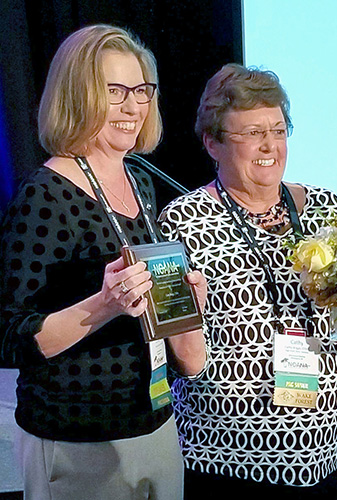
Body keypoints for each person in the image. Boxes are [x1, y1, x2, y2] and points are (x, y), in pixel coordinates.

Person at [159, 63, 337, 500]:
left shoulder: (330, 210)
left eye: (277, 129)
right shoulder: (182, 220)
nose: (269, 145)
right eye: (250, 133)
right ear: (212, 143)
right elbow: (178, 350)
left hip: (324, 456)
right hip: (227, 460)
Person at [0, 24, 206, 500]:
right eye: (115, 91)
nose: (133, 107)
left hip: (153, 422)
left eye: (141, 90)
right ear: (78, 95)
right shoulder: (45, 196)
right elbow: (11, 338)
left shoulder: (142, 183)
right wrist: (105, 305)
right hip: (80, 443)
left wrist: (179, 303)